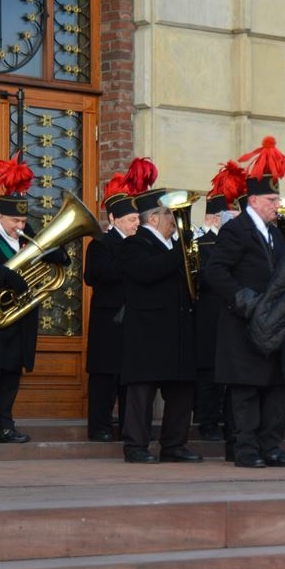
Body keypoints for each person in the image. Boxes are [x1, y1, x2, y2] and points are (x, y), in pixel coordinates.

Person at [205, 136, 285, 468]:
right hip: (245, 323)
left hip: (276, 323)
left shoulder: (277, 233)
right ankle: (246, 449)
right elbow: (215, 271)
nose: (278, 205)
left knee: (278, 388)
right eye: (272, 199)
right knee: (247, 391)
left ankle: (271, 447)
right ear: (253, 200)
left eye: (277, 199)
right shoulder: (235, 231)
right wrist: (245, 301)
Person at [0, 153, 68, 444]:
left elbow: (47, 253)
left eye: (23, 220)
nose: (20, 226)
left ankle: (5, 423)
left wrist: (57, 254)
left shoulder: (24, 232)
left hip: (19, 314)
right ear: (0, 216)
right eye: (15, 221)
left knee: (11, 370)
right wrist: (6, 276)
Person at [119, 175, 201, 464]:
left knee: (181, 390)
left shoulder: (173, 246)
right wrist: (181, 253)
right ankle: (136, 445)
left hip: (177, 329)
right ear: (153, 218)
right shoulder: (134, 244)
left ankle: (174, 445)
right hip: (148, 332)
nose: (174, 220)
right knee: (142, 391)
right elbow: (146, 272)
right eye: (169, 213)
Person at [83, 171, 140, 442]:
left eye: (137, 219)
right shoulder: (100, 244)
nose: (136, 224)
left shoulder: (139, 243)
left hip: (133, 319)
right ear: (114, 219)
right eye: (131, 219)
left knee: (129, 378)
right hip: (108, 322)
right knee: (104, 377)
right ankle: (100, 427)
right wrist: (128, 261)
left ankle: (130, 427)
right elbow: (93, 275)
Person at [194, 161, 244, 444]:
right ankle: (207, 420)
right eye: (231, 215)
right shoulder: (202, 243)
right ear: (215, 218)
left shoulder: (237, 243)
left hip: (231, 313)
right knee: (209, 372)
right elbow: (204, 278)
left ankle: (228, 420)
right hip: (209, 314)